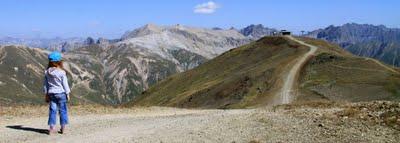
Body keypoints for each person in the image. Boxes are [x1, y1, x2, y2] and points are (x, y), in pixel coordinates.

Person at [43, 51, 71, 135]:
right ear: (59, 62)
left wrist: (46, 94)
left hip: (51, 93)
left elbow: (45, 85)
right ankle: (63, 128)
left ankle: (51, 129)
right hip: (61, 93)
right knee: (63, 110)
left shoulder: (47, 72)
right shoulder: (62, 72)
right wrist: (68, 93)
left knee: (52, 111)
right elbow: (65, 84)